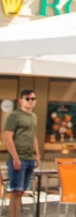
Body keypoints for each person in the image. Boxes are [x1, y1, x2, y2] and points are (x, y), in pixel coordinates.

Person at [3, 88, 40, 217]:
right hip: (18, 158)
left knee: (22, 191)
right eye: (27, 99)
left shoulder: (33, 117)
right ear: (21, 100)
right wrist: (15, 158)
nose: (30, 101)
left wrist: (37, 155)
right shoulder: (15, 116)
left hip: (30, 158)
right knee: (16, 191)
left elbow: (33, 136)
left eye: (33, 99)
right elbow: (8, 137)